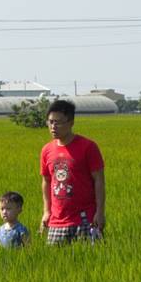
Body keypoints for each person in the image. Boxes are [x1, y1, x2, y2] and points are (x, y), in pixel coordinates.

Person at [39, 98, 105, 244]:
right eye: (50, 122)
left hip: (85, 219)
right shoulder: (46, 150)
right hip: (56, 221)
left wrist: (100, 212)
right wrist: (46, 211)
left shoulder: (88, 147)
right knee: (56, 264)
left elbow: (99, 180)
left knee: (89, 263)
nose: (53, 126)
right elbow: (46, 181)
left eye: (58, 122)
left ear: (71, 122)